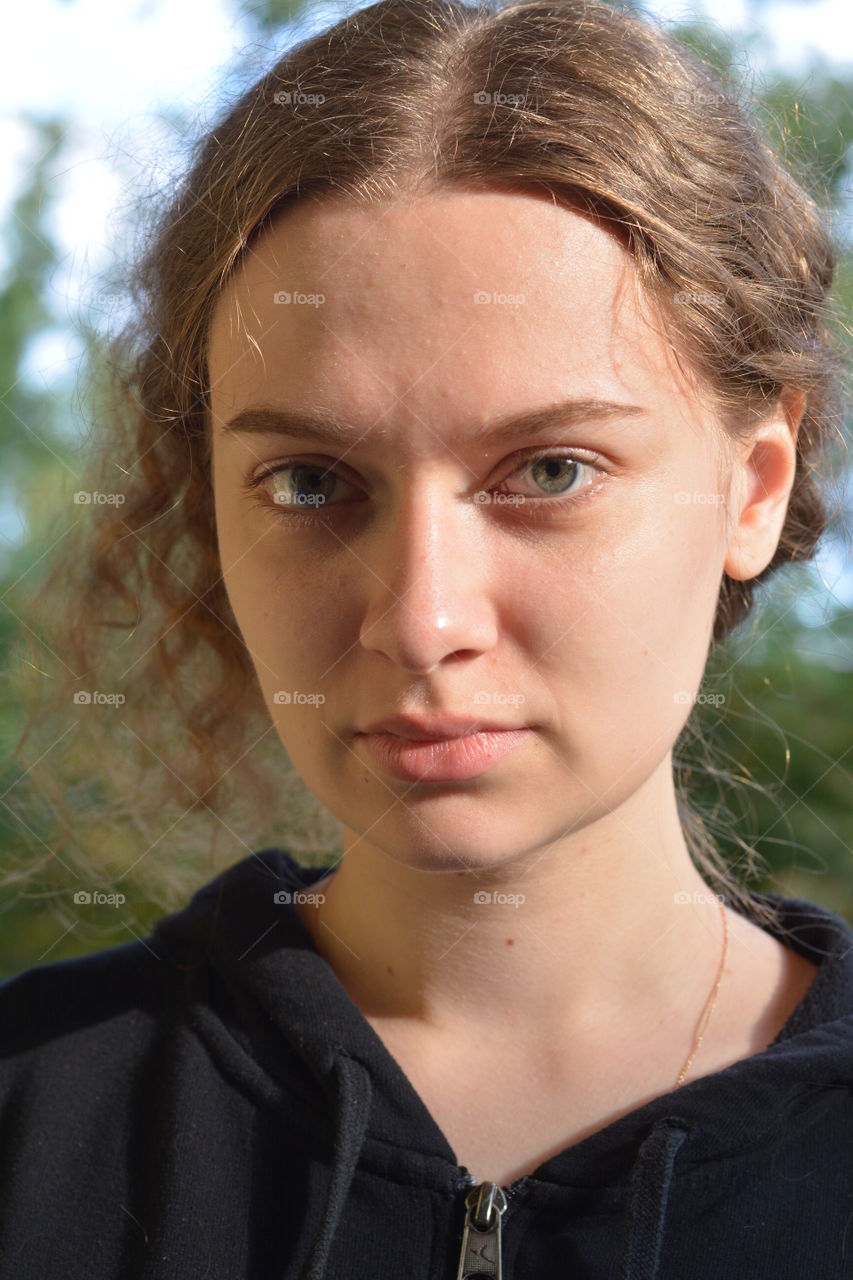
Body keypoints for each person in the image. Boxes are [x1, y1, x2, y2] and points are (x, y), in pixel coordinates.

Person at [1, 0, 851, 1276]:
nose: (419, 619)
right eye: (309, 483)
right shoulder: (29, 1120)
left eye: (550, 469)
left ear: (753, 484)